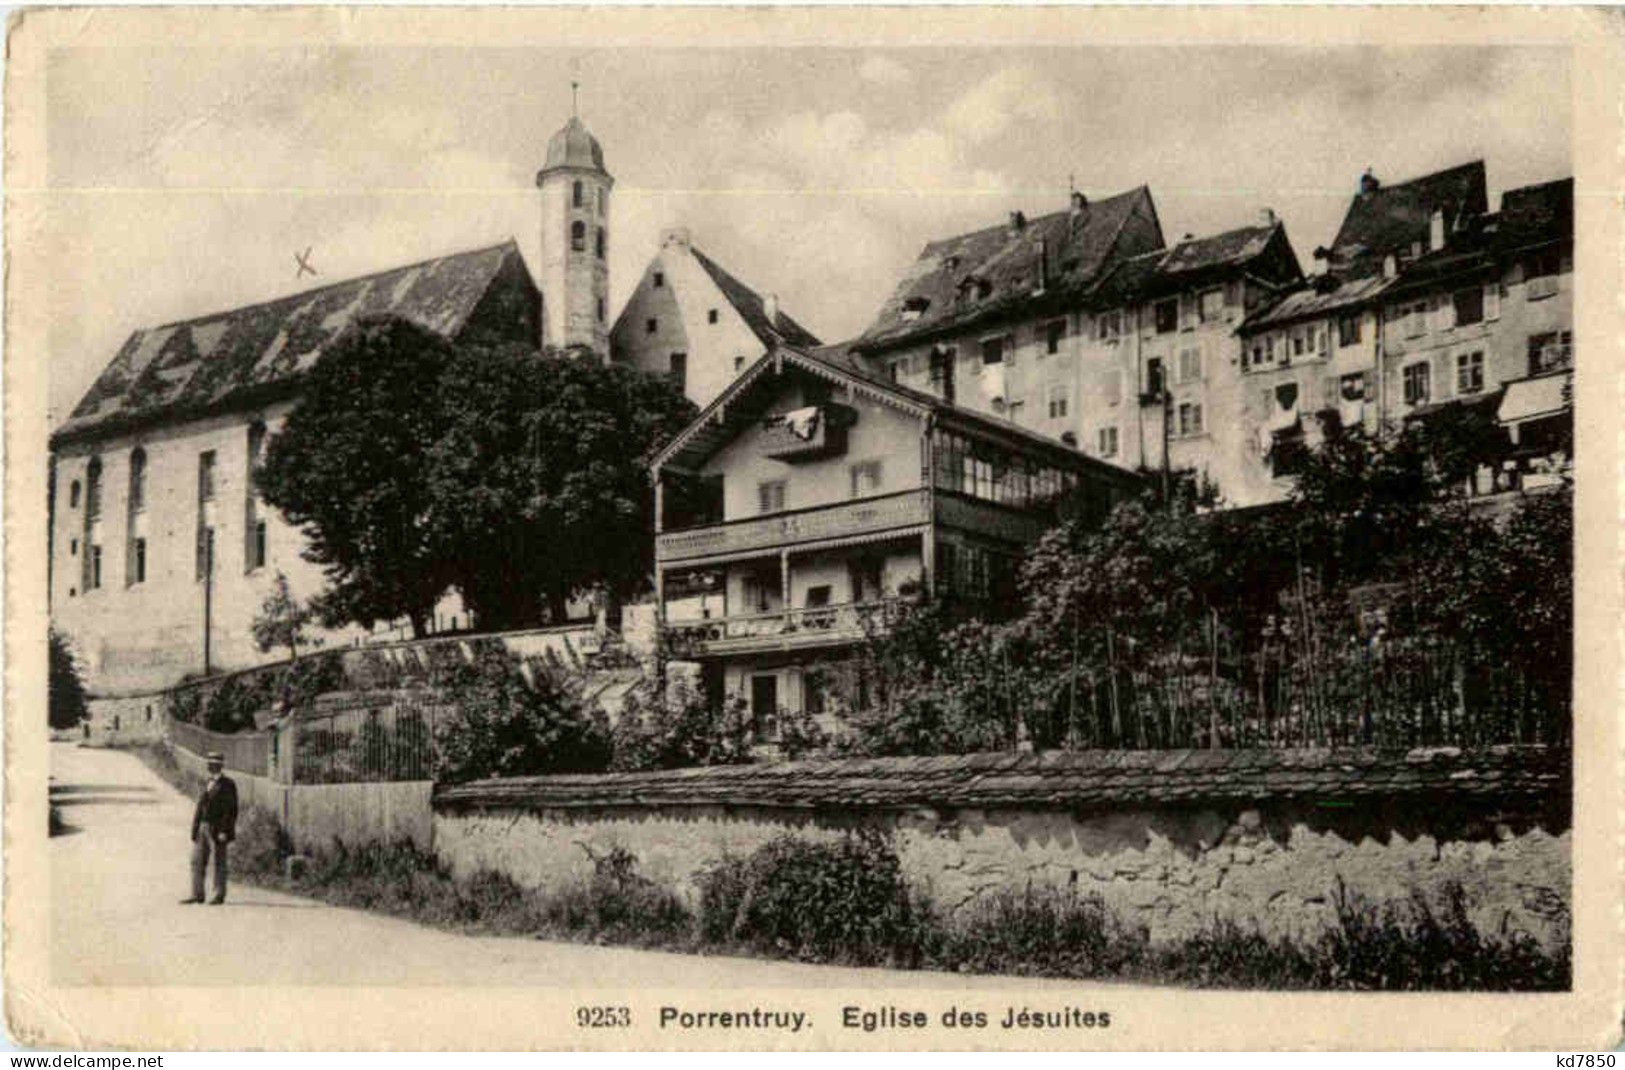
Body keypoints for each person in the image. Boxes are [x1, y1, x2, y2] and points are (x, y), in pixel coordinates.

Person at [182, 752, 238, 905]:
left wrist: (224, 831)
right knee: (196, 860)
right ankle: (197, 894)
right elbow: (200, 807)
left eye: (212, 763)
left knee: (219, 861)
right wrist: (195, 828)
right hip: (203, 827)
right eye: (208, 762)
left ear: (219, 765)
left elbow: (231, 810)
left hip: (217, 829)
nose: (209, 765)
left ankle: (218, 894)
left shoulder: (228, 784)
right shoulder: (206, 782)